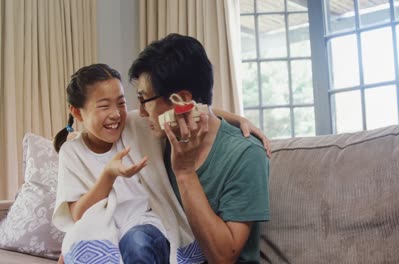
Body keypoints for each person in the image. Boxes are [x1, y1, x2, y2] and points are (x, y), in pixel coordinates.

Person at [52, 63, 269, 264]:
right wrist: (109, 175)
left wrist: (237, 119)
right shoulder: (71, 152)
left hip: (147, 227)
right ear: (77, 112)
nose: (116, 114)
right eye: (104, 106)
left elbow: (187, 108)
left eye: (121, 102)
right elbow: (77, 214)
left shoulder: (137, 125)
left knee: (137, 242)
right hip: (104, 231)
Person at [129, 33, 270, 263]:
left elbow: (223, 257)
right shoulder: (157, 133)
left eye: (145, 100)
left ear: (182, 100)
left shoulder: (246, 155)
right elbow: (94, 128)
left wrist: (185, 173)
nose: (141, 112)